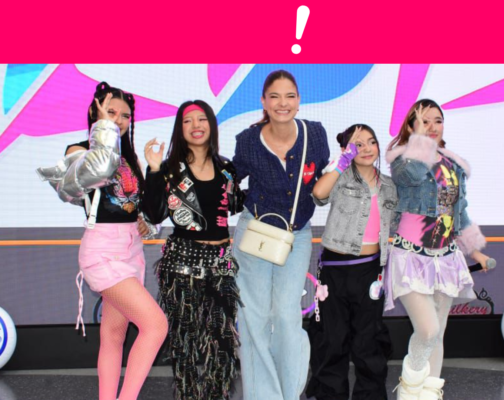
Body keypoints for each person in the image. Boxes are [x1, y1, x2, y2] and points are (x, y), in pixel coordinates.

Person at [37, 82, 168, 400]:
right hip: (103, 251)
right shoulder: (78, 150)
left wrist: (153, 173)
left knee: (113, 336)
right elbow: (94, 172)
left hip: (131, 251)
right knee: (155, 325)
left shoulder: (129, 159)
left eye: (125, 116)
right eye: (111, 112)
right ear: (95, 111)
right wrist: (104, 128)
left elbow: (150, 211)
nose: (119, 120)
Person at [384, 99, 494, 400]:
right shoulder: (403, 158)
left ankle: (430, 394)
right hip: (410, 257)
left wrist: (475, 251)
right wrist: (421, 142)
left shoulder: (453, 164)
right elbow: (410, 178)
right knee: (428, 330)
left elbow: (459, 213)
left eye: (437, 120)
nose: (432, 127)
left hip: (445, 259)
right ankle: (409, 390)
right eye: (424, 121)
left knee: (438, 333)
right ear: (411, 126)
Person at [231, 70, 330, 400]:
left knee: (288, 317)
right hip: (255, 231)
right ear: (264, 101)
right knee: (254, 316)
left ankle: (289, 393)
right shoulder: (248, 140)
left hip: (296, 234)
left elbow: (321, 183)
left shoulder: (315, 135)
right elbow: (230, 181)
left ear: (299, 101)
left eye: (289, 96)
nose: (282, 103)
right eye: (274, 96)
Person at [143, 100, 245, 400]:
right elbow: (154, 213)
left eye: (202, 119)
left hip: (221, 263)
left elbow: (234, 205)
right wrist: (153, 169)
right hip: (182, 262)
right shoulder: (169, 168)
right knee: (184, 343)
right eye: (188, 121)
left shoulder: (226, 167)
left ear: (211, 125)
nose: (196, 126)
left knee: (222, 342)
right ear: (180, 128)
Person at [306, 124, 397, 400]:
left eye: (371, 142)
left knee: (368, 341)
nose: (366, 148)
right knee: (331, 339)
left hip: (371, 271)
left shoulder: (389, 186)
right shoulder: (340, 177)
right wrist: (342, 161)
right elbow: (318, 193)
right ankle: (329, 395)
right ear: (347, 149)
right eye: (358, 144)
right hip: (335, 271)